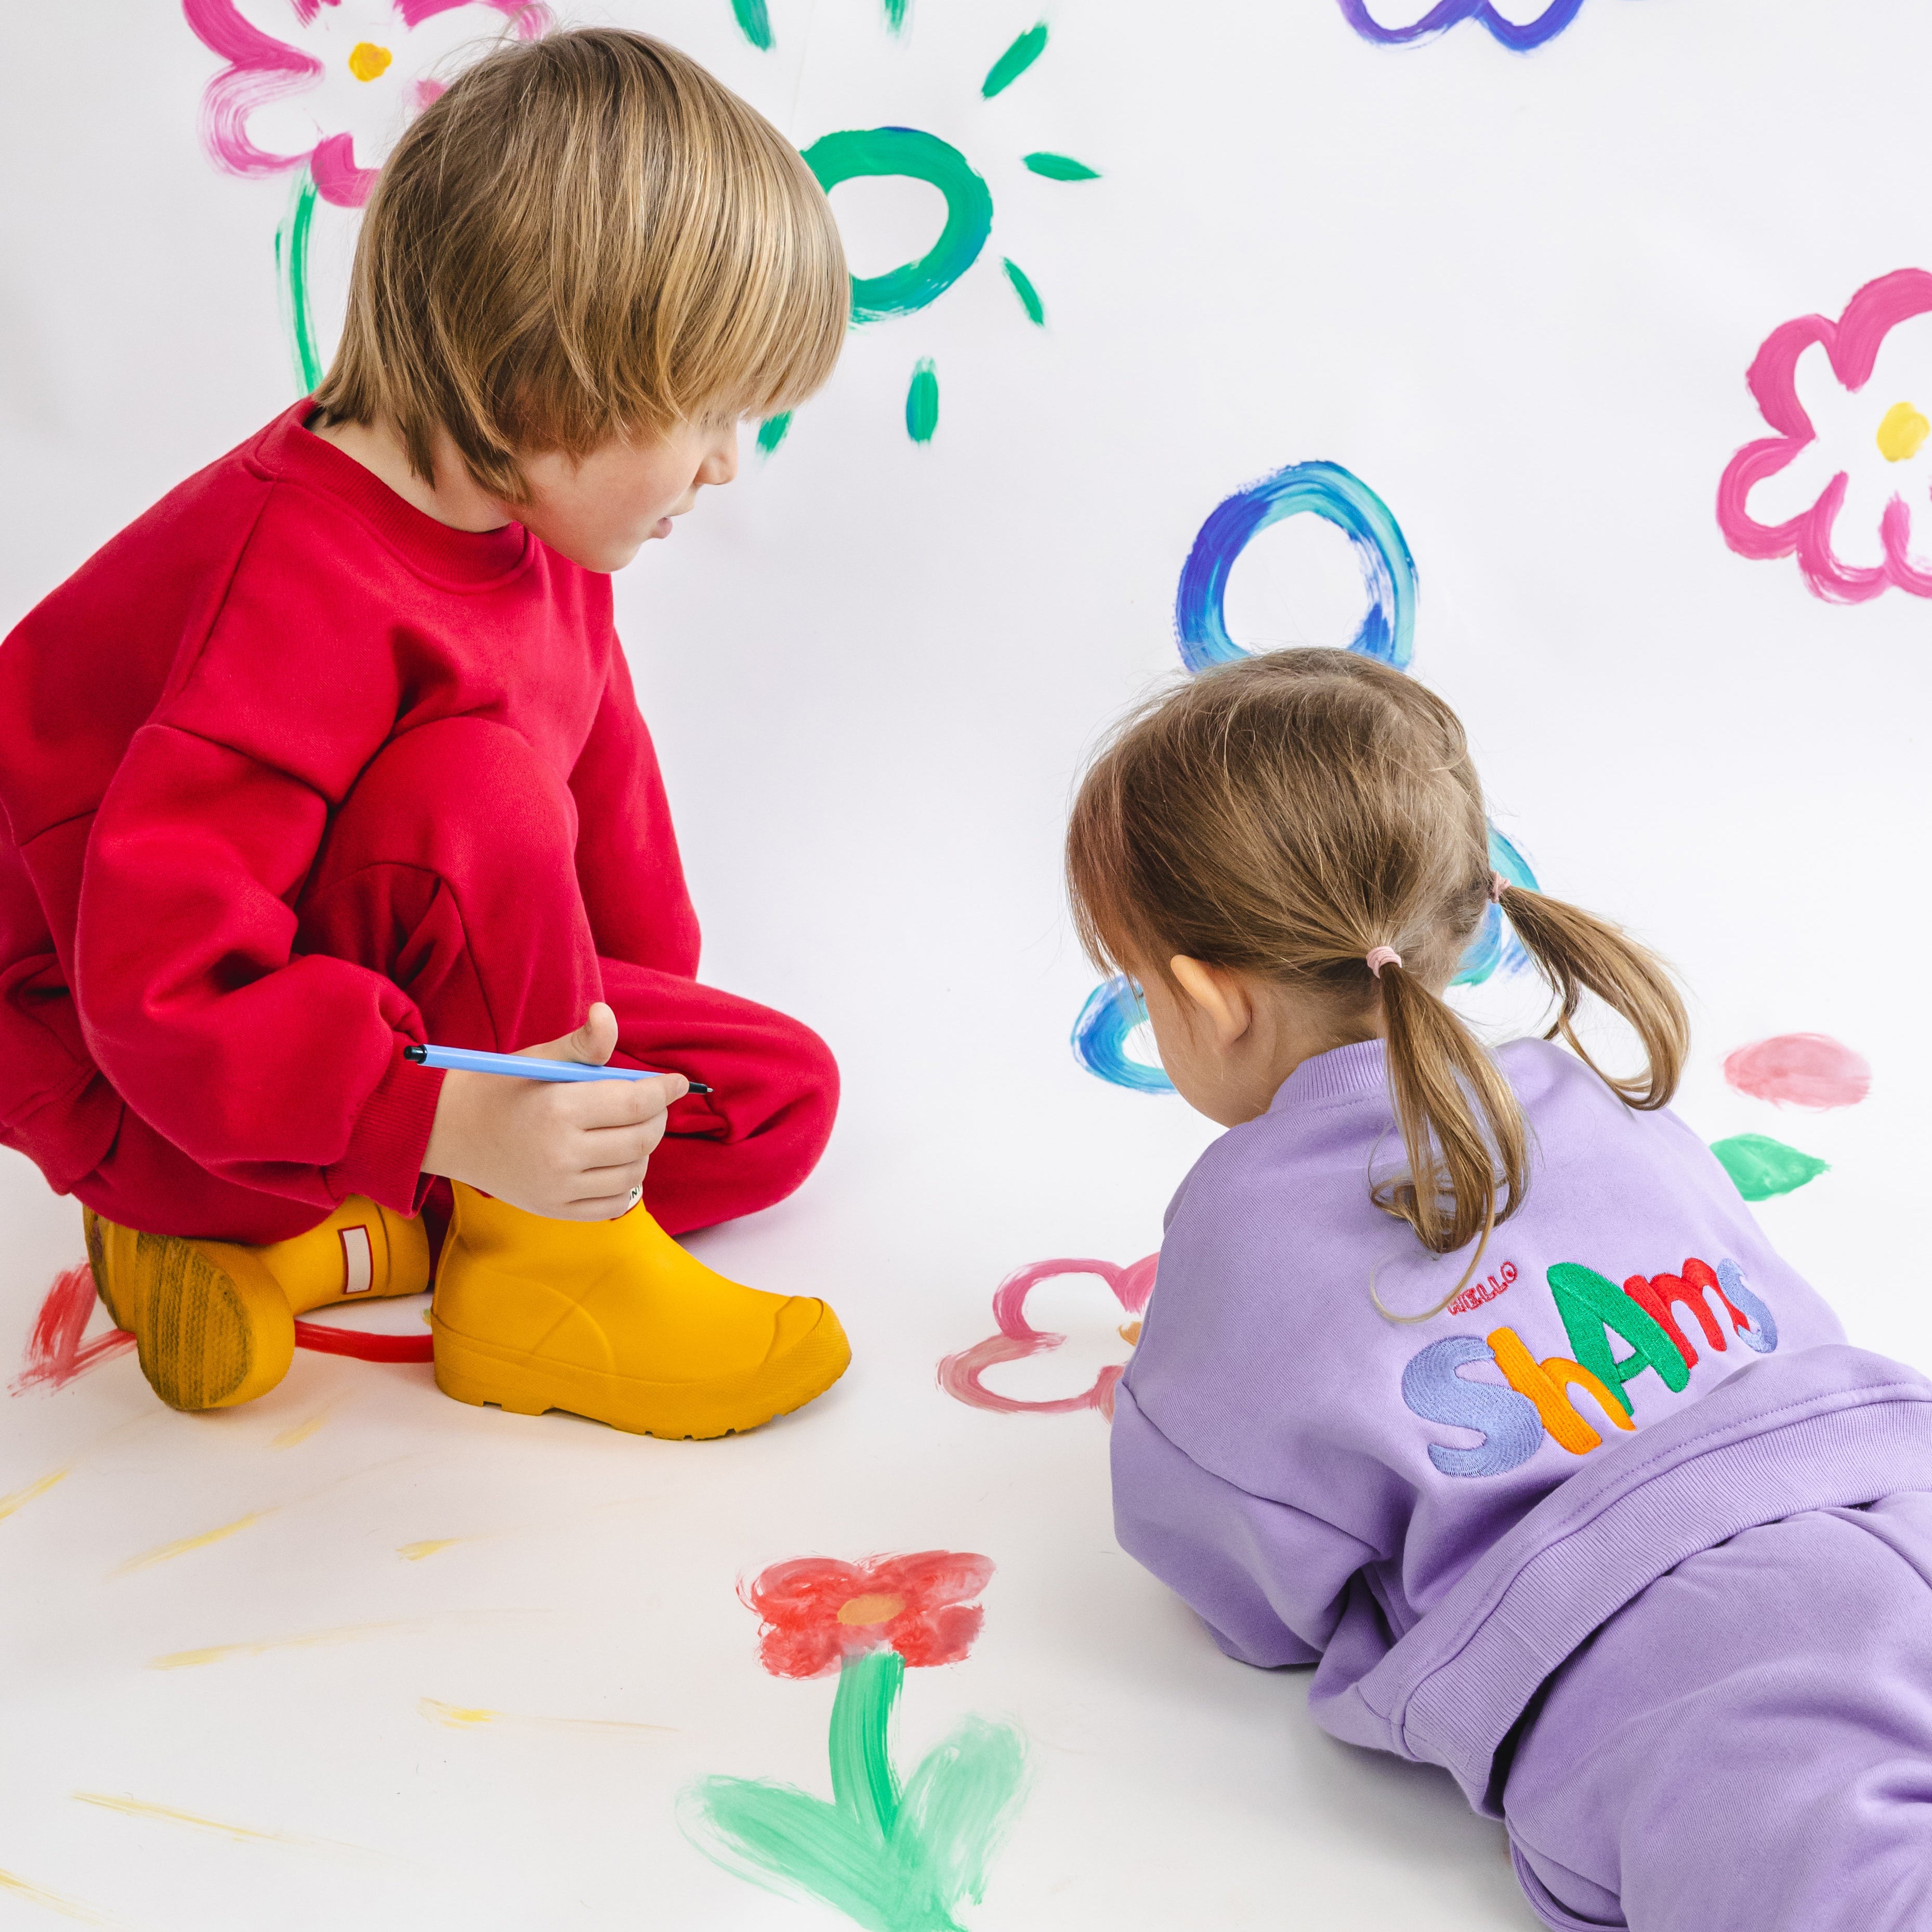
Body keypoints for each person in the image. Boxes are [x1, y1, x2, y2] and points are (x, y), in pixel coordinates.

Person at [0, 29, 853, 1441]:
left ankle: (350, 1234)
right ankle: (531, 1281)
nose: (723, 462)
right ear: (542, 383)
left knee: (771, 1096)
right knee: (474, 786)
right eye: (701, 411)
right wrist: (450, 1123)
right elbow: (157, 984)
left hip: (414, 1011)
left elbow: (610, 820)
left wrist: (596, 1072)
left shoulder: (542, 528)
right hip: (148, 1065)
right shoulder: (292, 582)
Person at [1069, 647, 1932, 1930]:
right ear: (1458, 914)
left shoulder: (1239, 1239)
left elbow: (1241, 1586)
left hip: (1678, 1651)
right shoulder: (1592, 1098)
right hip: (1888, 1486)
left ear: (1201, 993)